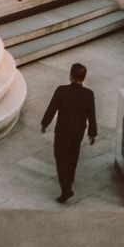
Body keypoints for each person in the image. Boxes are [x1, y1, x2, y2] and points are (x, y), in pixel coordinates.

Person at [41, 63, 97, 203]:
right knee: (73, 154)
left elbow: (52, 109)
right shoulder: (88, 94)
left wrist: (45, 123)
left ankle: (66, 189)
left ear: (70, 76)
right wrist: (92, 133)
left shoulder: (61, 91)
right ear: (83, 78)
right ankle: (70, 178)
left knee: (61, 157)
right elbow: (92, 115)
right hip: (78, 131)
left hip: (62, 130)